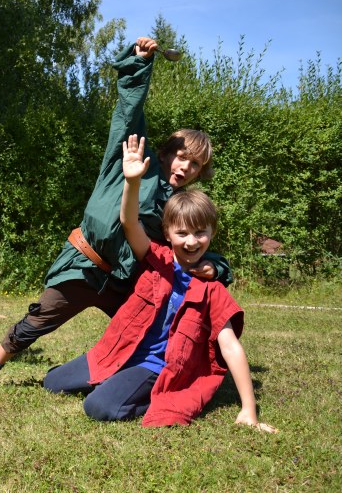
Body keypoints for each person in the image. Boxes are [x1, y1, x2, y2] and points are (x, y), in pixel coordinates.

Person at [0, 37, 232, 394]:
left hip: (125, 279)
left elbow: (192, 245)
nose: (187, 166)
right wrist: (139, 62)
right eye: (183, 156)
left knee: (148, 324)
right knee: (39, 318)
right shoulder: (133, 156)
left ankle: (153, 374)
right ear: (167, 152)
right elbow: (129, 110)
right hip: (84, 263)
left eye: (196, 164)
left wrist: (218, 266)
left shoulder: (183, 204)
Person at [42, 134, 277, 431]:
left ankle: (157, 395)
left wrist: (249, 410)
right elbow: (129, 223)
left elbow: (230, 347)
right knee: (52, 382)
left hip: (156, 366)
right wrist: (132, 181)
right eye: (182, 233)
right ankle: (114, 379)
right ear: (167, 234)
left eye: (200, 233)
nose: (191, 242)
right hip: (120, 350)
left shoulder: (211, 288)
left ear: (211, 234)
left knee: (98, 406)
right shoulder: (156, 258)